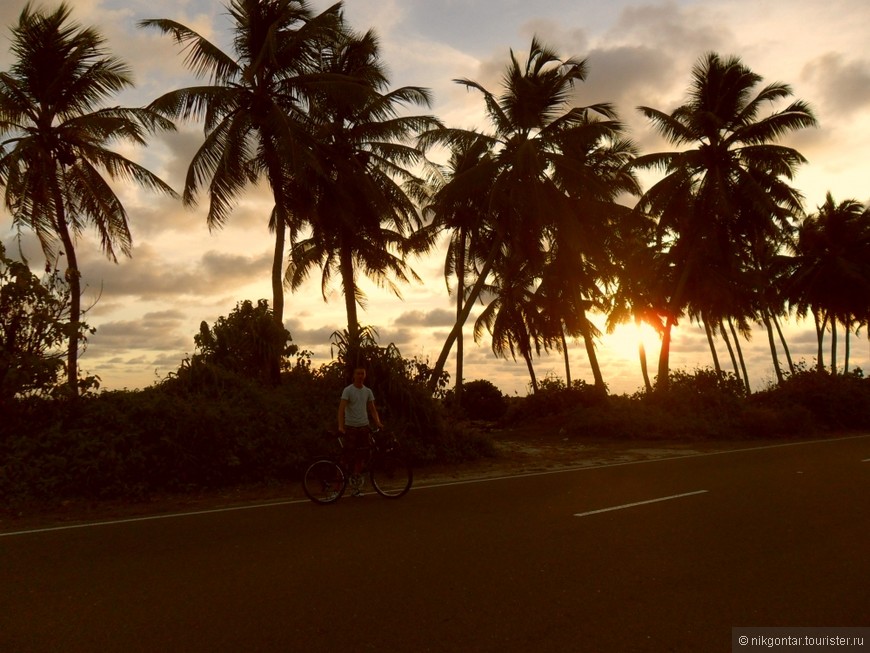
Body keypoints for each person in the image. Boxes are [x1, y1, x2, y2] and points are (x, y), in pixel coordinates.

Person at [337, 366, 383, 496]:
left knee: (361, 457)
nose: (360, 376)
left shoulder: (368, 391)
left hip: (364, 427)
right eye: (358, 373)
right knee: (345, 457)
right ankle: (337, 486)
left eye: (362, 374)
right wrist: (341, 426)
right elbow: (341, 409)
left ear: (365, 375)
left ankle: (355, 486)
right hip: (351, 427)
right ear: (353, 375)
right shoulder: (348, 390)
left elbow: (372, 409)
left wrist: (378, 422)